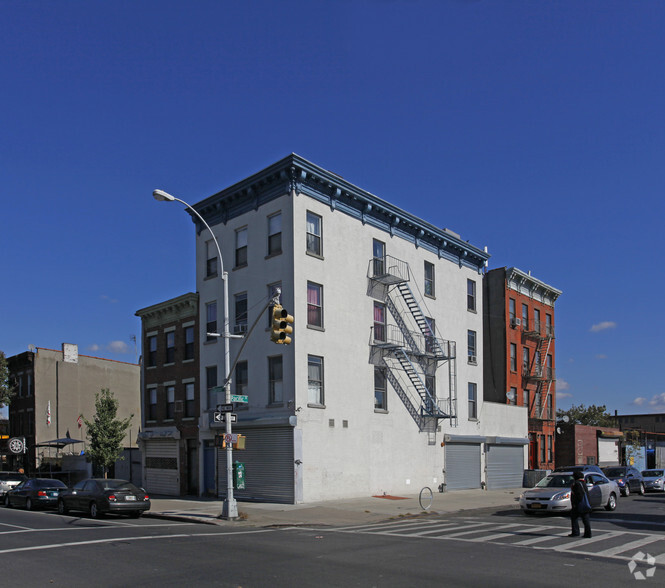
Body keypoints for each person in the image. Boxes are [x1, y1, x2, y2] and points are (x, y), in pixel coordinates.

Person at [570, 470, 592, 538]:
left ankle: (576, 532)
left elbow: (579, 495)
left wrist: (575, 503)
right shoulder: (583, 483)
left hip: (579, 504)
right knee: (586, 520)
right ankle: (588, 533)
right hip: (585, 503)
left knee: (574, 517)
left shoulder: (576, 484)